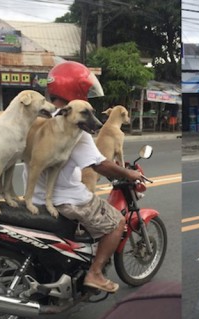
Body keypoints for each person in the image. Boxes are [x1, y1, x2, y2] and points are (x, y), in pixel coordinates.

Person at [24, 61, 143, 293]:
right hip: (66, 198)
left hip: (35, 197)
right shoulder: (77, 124)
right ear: (75, 90)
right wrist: (129, 173)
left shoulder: (41, 117)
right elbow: (100, 165)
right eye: (86, 91)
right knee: (117, 222)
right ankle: (95, 273)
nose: (88, 97)